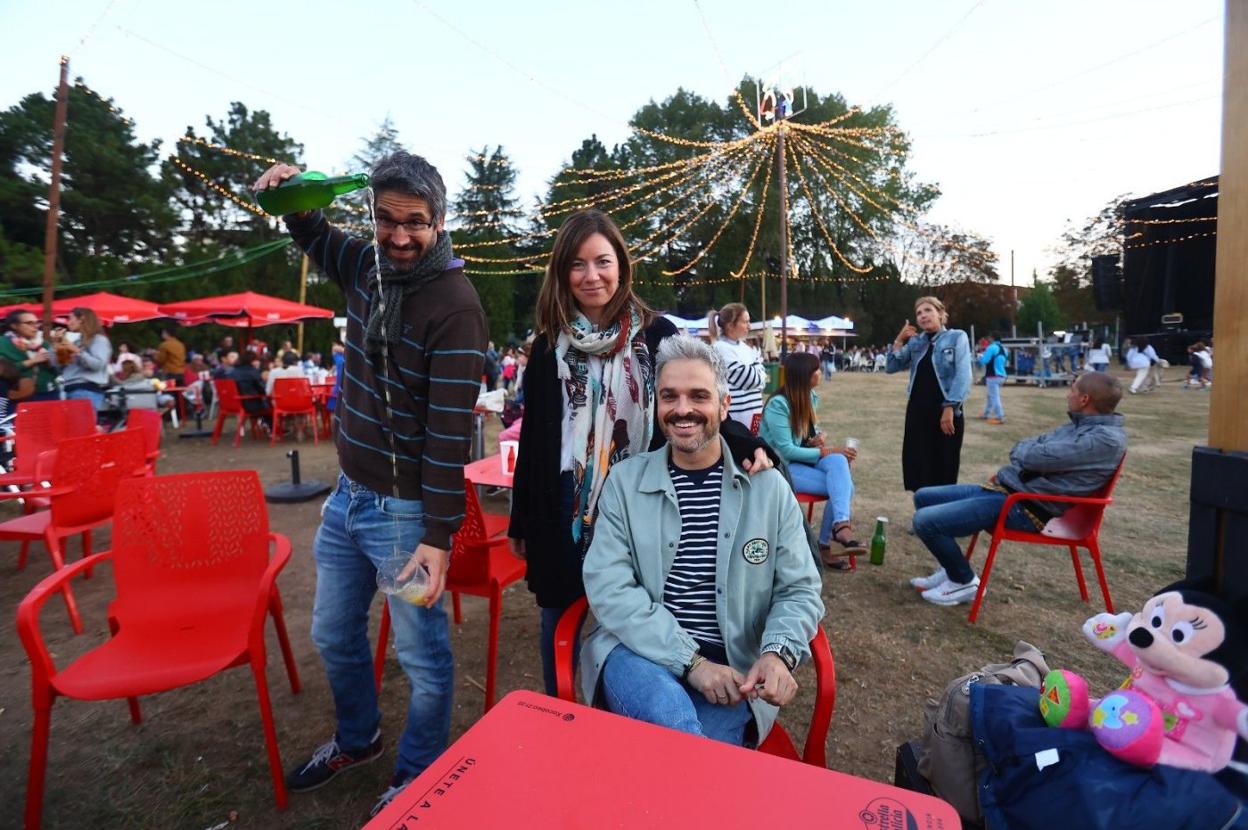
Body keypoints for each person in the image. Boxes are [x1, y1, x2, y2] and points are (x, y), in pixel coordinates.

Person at [255, 150, 487, 815]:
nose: (399, 236)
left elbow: (449, 438)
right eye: (387, 220)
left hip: (406, 516)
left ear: (439, 223)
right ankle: (359, 738)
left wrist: (438, 536)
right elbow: (315, 234)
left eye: (415, 223)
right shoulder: (365, 266)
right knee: (332, 632)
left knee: (423, 655)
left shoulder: (457, 306)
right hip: (347, 499)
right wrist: (292, 195)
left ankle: (419, 772)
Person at [508, 208, 775, 699]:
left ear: (621, 265)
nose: (592, 276)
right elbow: (535, 441)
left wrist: (748, 440)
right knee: (560, 614)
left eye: (602, 261)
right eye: (578, 264)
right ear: (562, 271)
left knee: (638, 603)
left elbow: (694, 396)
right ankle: (564, 713)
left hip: (642, 496)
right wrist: (521, 520)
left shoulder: (657, 333)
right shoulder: (548, 346)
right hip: (563, 501)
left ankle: (636, 707)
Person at [580, 335, 824, 745]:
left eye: (698, 395)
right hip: (640, 655)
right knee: (684, 738)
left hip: (733, 672)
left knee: (682, 762)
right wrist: (691, 663)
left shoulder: (768, 491)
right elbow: (609, 587)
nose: (682, 409)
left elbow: (799, 588)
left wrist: (777, 652)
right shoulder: (624, 483)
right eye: (669, 396)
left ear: (724, 406)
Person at [908, 372, 1127, 606]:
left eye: (1071, 390)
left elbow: (1034, 456)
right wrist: (1027, 454)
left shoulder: (1104, 440)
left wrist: (1026, 454)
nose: (1067, 394)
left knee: (925, 521)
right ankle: (952, 568)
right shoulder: (1078, 426)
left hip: (1027, 507)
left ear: (1085, 399)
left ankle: (963, 581)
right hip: (1009, 491)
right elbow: (1029, 448)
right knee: (925, 497)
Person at [760, 351, 864, 568]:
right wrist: (825, 450)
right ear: (804, 375)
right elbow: (786, 450)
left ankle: (840, 525)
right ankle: (826, 544)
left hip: (802, 460)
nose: (820, 373)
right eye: (816, 370)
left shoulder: (809, 397)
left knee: (838, 462)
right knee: (844, 487)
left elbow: (802, 440)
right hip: (780, 467)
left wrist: (815, 441)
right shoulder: (778, 405)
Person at [886, 296, 972, 492]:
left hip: (944, 411)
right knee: (918, 466)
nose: (923, 316)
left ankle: (939, 518)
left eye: (928, 310)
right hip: (917, 412)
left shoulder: (957, 337)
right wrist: (899, 340)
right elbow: (891, 366)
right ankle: (922, 517)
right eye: (919, 313)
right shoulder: (917, 343)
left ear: (940, 314)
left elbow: (964, 374)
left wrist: (950, 407)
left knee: (943, 465)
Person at [708, 303, 766, 430]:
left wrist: (757, 373)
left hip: (753, 412)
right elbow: (750, 380)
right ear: (730, 326)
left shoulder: (745, 348)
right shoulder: (721, 349)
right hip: (736, 416)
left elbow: (762, 379)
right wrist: (757, 368)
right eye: (745, 322)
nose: (749, 326)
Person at [53, 307, 112, 411]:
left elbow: (97, 365)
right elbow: (61, 367)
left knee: (81, 426)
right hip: (70, 389)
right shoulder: (77, 342)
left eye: (71, 318)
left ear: (82, 319)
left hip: (85, 390)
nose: (68, 322)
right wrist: (58, 346)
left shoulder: (99, 339)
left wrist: (77, 351)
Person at [0, 310, 47, 406]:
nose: (35, 326)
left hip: (47, 394)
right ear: (14, 325)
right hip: (13, 396)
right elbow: (4, 370)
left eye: (37, 322)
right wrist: (32, 361)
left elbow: (58, 370)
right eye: (29, 323)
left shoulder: (42, 343)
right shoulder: (2, 343)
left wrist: (54, 361)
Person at [979, 331, 1008, 424]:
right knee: (991, 396)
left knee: (994, 397)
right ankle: (985, 414)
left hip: (992, 376)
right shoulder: (1004, 349)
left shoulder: (991, 347)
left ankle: (1000, 417)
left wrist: (979, 357)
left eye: (989, 337)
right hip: (1002, 375)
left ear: (992, 338)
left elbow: (984, 361)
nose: (988, 339)